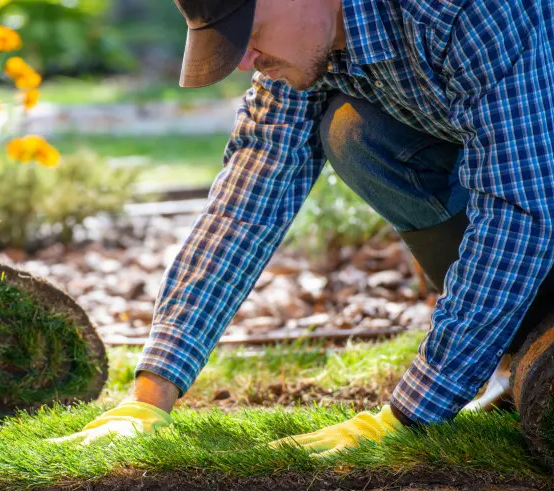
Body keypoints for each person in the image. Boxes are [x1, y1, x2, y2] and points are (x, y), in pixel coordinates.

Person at [52, 0, 554, 453]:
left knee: (368, 138)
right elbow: (250, 193)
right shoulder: (310, 39)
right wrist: (151, 393)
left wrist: (412, 411)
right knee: (356, 133)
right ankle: (530, 342)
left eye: (250, 30)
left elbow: (519, 203)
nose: (245, 60)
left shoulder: (462, 11)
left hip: (536, 179)